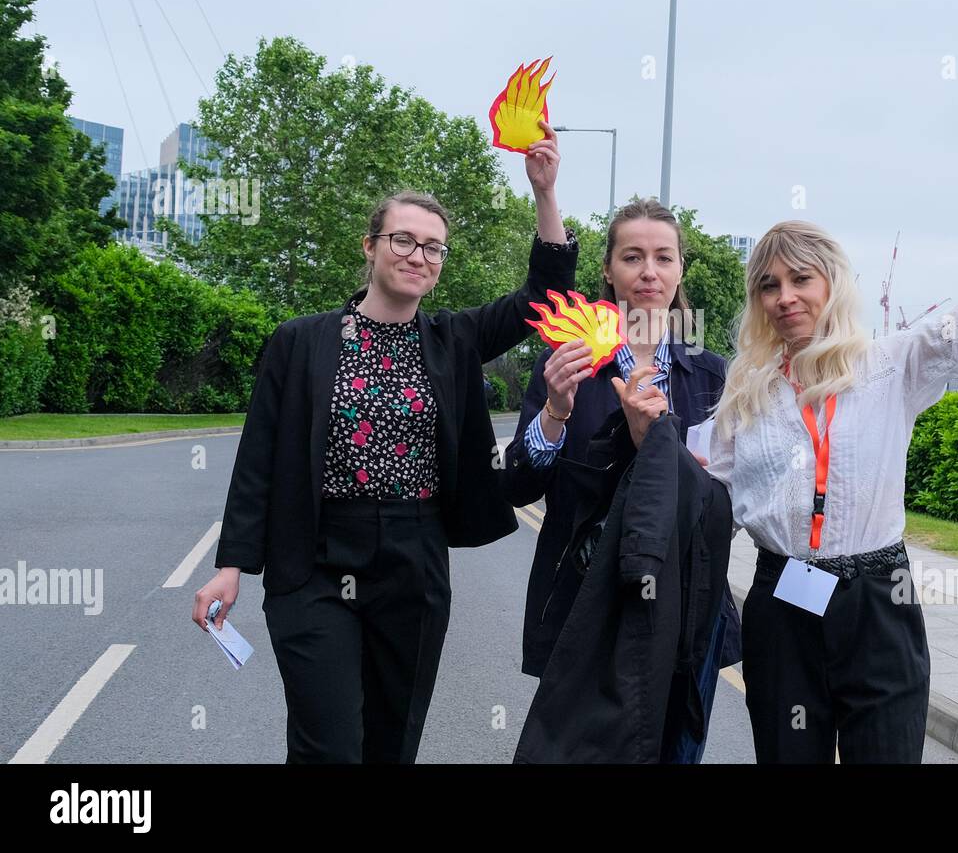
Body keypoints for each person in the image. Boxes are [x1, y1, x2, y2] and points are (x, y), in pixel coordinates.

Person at [191, 121, 578, 763]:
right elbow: (259, 458)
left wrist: (544, 191)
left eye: (433, 247)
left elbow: (549, 297)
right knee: (331, 745)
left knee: (391, 744)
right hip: (314, 559)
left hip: (413, 556)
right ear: (370, 246)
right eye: (403, 240)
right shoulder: (302, 341)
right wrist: (232, 563)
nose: (418, 255)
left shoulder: (455, 340)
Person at [707, 93, 958, 763]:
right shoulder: (744, 393)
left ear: (832, 283)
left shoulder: (891, 365)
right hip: (782, 603)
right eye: (769, 285)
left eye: (801, 279)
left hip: (878, 605)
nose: (785, 297)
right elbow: (704, 501)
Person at [502, 198, 740, 763]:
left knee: (674, 750)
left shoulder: (709, 374)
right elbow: (518, 487)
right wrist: (556, 411)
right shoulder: (569, 361)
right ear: (608, 270)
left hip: (682, 599)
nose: (649, 272)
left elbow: (721, 506)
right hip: (586, 597)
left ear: (681, 268)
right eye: (632, 257)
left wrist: (653, 444)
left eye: (663, 257)